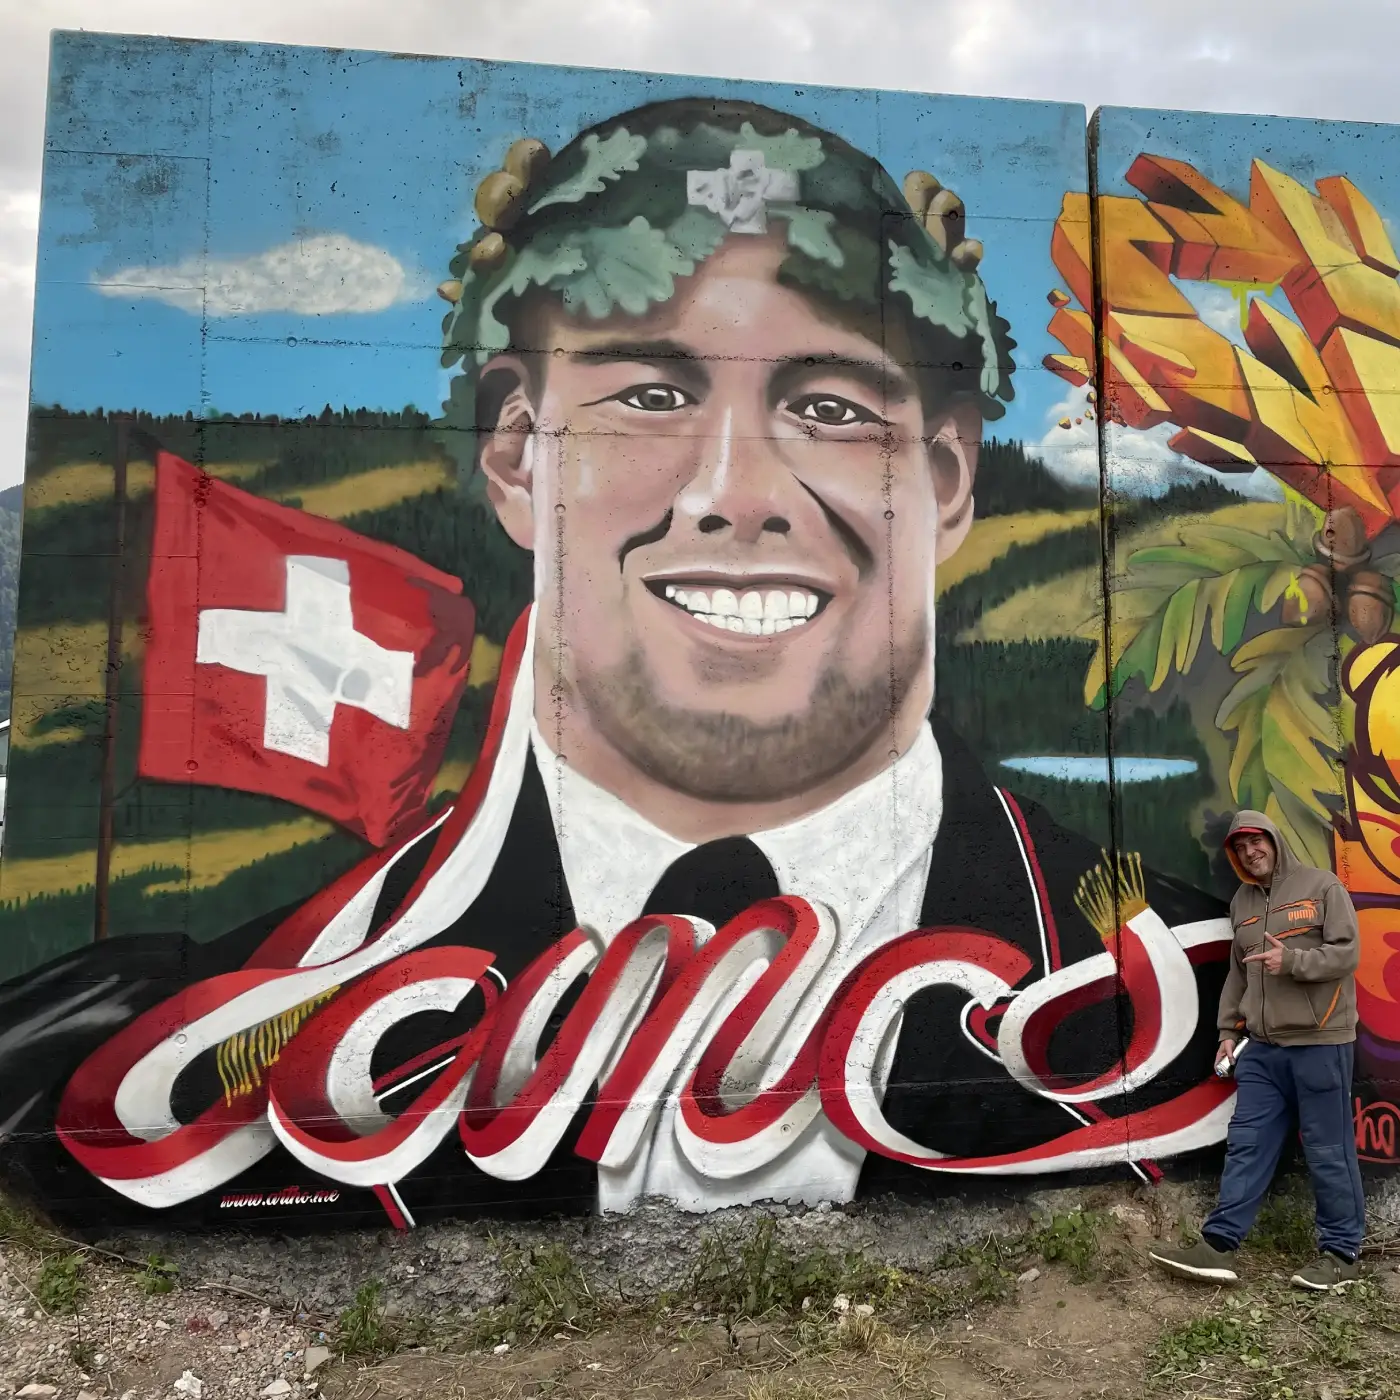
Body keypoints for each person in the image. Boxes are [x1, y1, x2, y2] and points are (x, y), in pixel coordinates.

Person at [0, 97, 1232, 1229]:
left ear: (949, 480)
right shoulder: (216, 1013)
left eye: (832, 408)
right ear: (514, 455)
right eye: (648, 392)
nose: (731, 495)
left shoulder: (1164, 966)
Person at [1149, 810, 1366, 1291]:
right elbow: (1238, 974)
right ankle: (1218, 1245)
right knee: (1246, 1145)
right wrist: (1228, 1031)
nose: (1251, 851)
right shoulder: (1242, 903)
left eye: (1257, 841)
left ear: (1274, 840)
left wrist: (1293, 960)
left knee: (1329, 1151)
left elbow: (1347, 953)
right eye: (1240, 846)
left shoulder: (1322, 887)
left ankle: (1342, 1254)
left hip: (1320, 1043)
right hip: (1262, 1051)